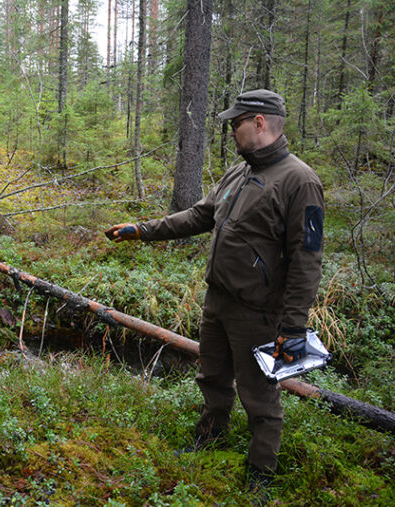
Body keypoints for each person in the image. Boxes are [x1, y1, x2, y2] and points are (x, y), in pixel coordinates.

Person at [105, 89, 324, 492]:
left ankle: (260, 474)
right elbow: (201, 215)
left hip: (257, 312)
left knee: (260, 397)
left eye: (235, 123)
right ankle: (210, 437)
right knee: (213, 377)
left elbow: (307, 261)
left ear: (259, 123)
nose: (231, 131)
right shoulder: (239, 171)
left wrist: (292, 328)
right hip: (218, 300)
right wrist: (142, 230)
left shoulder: (299, 181)